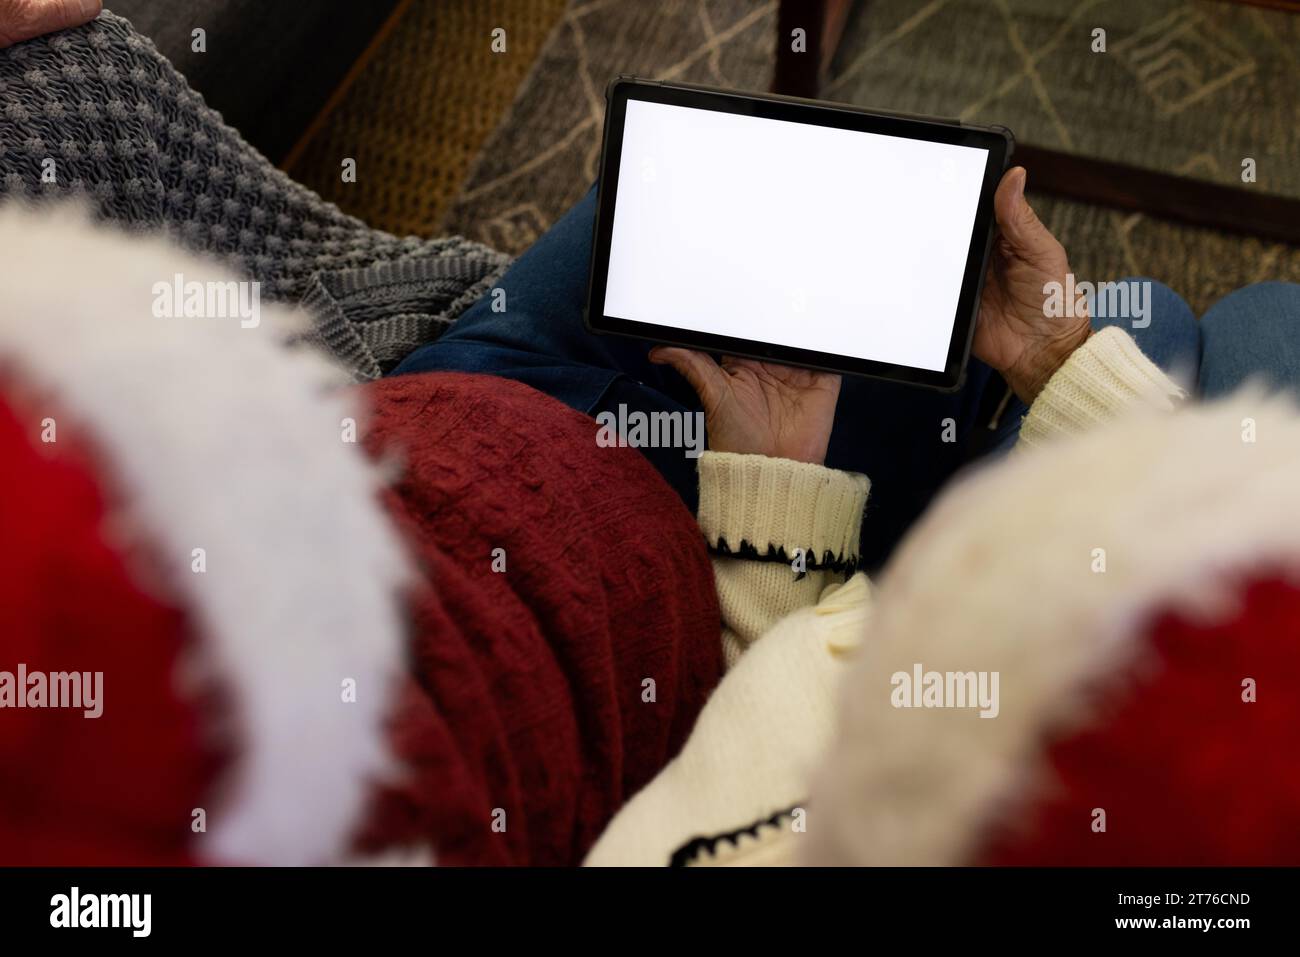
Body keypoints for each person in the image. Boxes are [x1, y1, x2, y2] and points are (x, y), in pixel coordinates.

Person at [3, 8, 1298, 866]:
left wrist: (758, 509)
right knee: (1111, 318)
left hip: (436, 440)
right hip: (621, 532)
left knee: (684, 200)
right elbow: (738, 764)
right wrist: (780, 502)